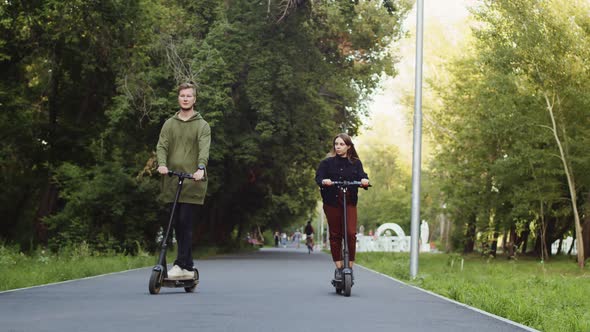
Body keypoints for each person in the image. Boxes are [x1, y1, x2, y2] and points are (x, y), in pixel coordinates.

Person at [156, 82, 211, 280]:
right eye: (182, 95)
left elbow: (204, 149)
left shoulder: (202, 125)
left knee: (185, 223)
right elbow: (162, 146)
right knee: (174, 224)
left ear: (194, 99)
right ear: (178, 98)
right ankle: (187, 265)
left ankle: (181, 264)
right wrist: (162, 165)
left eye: (189, 95)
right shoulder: (169, 124)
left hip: (193, 182)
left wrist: (200, 168)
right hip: (172, 181)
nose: (185, 98)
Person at [315, 133, 369, 282]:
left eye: (341, 144)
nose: (338, 147)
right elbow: (318, 177)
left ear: (348, 146)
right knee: (335, 235)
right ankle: (339, 268)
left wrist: (364, 180)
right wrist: (324, 181)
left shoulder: (355, 163)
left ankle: (349, 268)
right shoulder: (327, 163)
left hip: (349, 200)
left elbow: (362, 175)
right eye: (336, 144)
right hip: (332, 201)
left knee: (351, 233)